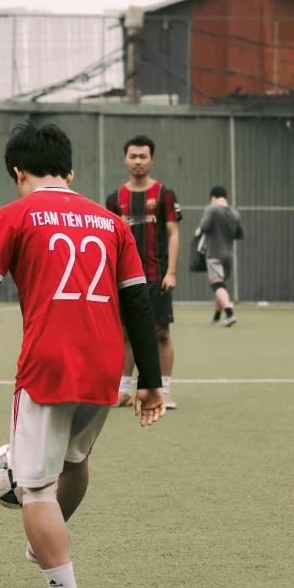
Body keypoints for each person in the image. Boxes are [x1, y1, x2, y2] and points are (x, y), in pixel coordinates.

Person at [0, 123, 165, 588]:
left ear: (18, 171)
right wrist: (148, 378)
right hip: (104, 367)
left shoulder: (13, 215)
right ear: (69, 171)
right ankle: (46, 543)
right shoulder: (110, 220)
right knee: (74, 463)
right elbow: (139, 303)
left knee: (33, 488)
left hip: (48, 366)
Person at [107, 135, 182, 410]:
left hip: (156, 275)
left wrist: (171, 272)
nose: (138, 161)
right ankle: (124, 389)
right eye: (133, 156)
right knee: (126, 333)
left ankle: (165, 389)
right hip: (126, 278)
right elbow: (111, 239)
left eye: (143, 156)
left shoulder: (164, 194)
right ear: (125, 159)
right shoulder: (115, 198)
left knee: (161, 332)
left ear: (152, 160)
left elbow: (174, 234)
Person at [197, 186, 244, 327]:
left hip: (214, 254)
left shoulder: (211, 209)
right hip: (229, 256)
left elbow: (203, 227)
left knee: (217, 285)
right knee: (221, 286)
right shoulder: (235, 213)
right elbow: (240, 234)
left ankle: (229, 314)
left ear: (213, 197)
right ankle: (217, 317)